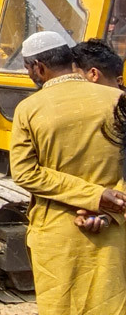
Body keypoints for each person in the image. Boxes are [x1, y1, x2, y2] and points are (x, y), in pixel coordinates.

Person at [9, 31, 126, 315]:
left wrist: (95, 196)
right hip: (113, 227)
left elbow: (25, 173)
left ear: (38, 67)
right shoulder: (118, 99)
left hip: (59, 231)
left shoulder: (28, 109)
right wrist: (108, 207)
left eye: (27, 68)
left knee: (61, 304)